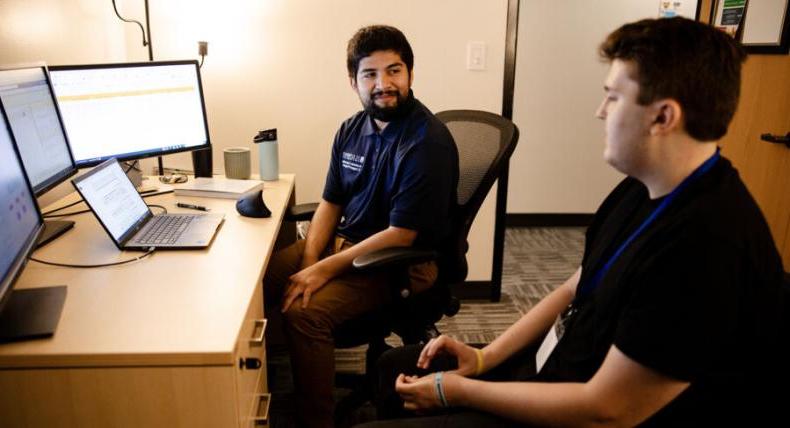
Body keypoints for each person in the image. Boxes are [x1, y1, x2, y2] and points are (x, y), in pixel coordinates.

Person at [360, 17, 786, 427]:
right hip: (562, 366)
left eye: (614, 97)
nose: (601, 111)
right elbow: (574, 287)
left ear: (663, 117)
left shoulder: (705, 243)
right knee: (393, 367)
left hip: (587, 407)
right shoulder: (644, 187)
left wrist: (459, 391)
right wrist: (485, 358)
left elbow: (606, 410)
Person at [263, 25, 458, 428]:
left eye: (394, 71)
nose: (383, 84)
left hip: (400, 263)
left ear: (410, 74)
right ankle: (247, 382)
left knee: (306, 313)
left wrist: (318, 272)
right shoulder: (352, 129)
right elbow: (331, 202)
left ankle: (314, 420)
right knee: (258, 280)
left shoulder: (426, 144)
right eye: (370, 74)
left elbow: (400, 236)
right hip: (346, 244)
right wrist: (311, 260)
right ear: (353, 81)